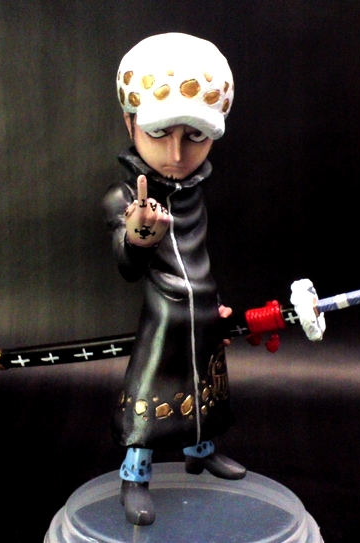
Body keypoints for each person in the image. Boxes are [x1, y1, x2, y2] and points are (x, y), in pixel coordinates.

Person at [103, 33, 246, 526]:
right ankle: (135, 475)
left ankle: (200, 451)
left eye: (195, 136)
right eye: (161, 132)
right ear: (131, 122)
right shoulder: (124, 196)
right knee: (150, 397)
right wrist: (138, 234)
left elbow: (196, 258)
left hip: (202, 308)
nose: (178, 153)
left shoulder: (192, 191)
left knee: (206, 387)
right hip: (164, 318)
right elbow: (128, 266)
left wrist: (214, 303)